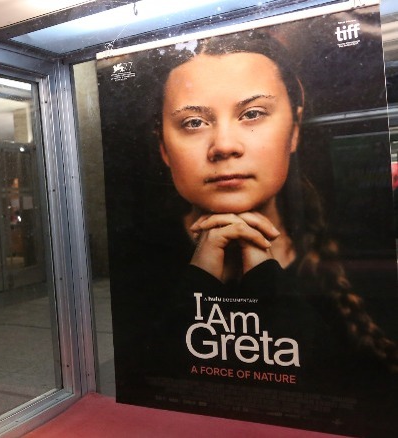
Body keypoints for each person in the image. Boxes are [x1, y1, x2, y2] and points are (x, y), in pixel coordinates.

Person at [109, 30, 398, 435]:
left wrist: (263, 274)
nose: (224, 146)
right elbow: (145, 387)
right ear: (162, 146)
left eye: (252, 113)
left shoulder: (364, 264)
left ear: (294, 127)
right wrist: (202, 270)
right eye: (193, 122)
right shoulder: (134, 264)